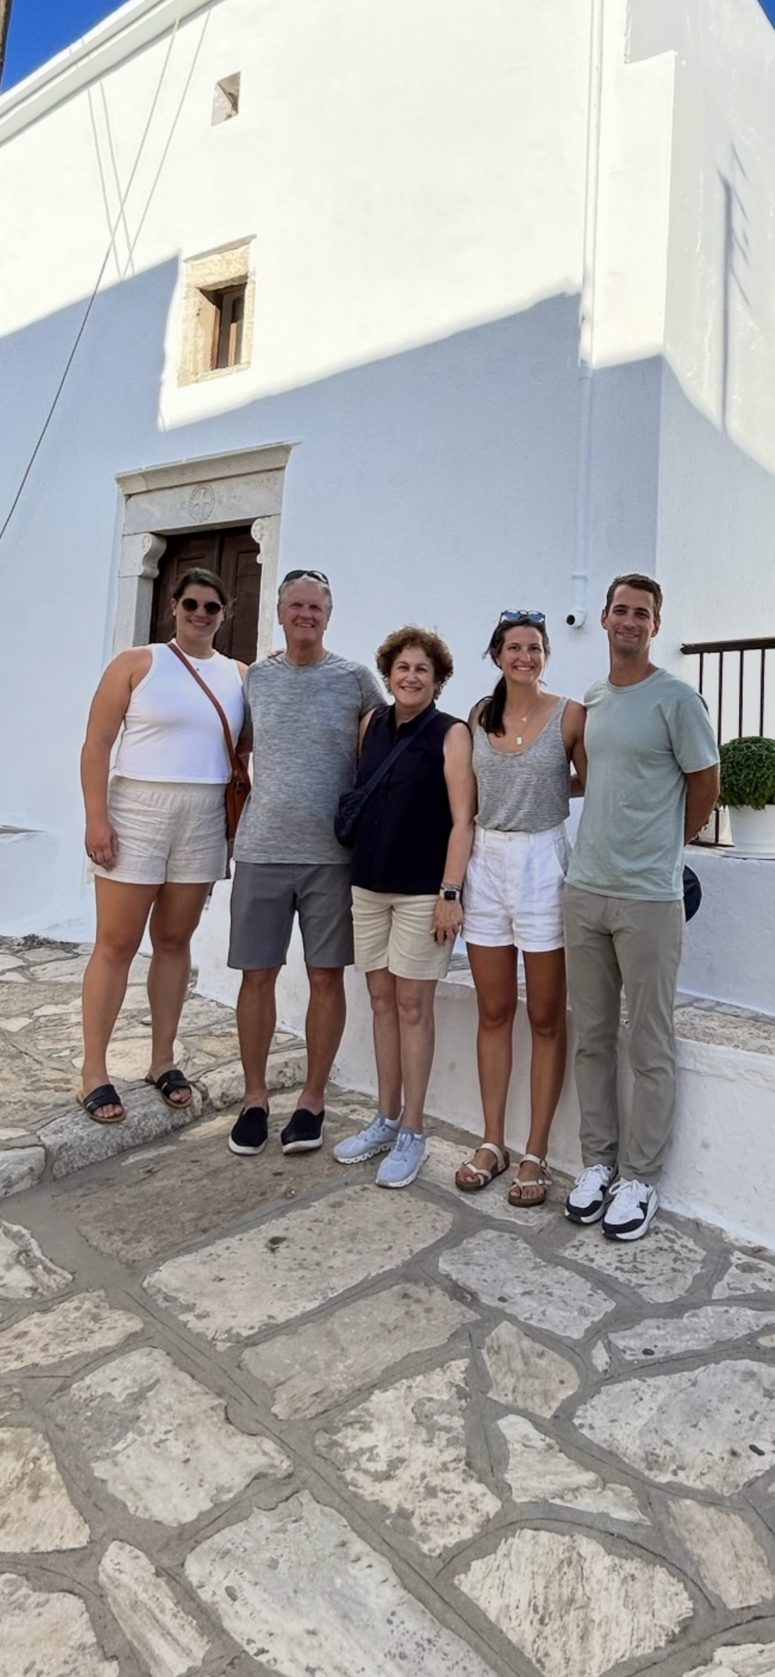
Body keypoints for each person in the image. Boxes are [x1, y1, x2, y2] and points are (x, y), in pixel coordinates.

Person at [563, 574, 719, 1240]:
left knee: (647, 1040)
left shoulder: (676, 700)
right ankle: (597, 1163)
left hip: (649, 896)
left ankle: (639, 1178)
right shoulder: (593, 699)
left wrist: (664, 847)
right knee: (591, 1037)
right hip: (584, 890)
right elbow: (595, 779)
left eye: (642, 613)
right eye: (620, 609)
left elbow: (704, 784)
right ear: (602, 618)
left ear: (654, 624)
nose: (629, 620)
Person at [79, 568, 247, 1123]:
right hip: (138, 806)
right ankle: (94, 1072)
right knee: (117, 942)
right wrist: (96, 818)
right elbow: (98, 743)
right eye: (191, 604)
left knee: (175, 940)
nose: (201, 614)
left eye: (212, 607)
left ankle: (162, 1059)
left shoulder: (238, 675)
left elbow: (247, 746)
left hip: (202, 812)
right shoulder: (137, 664)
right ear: (173, 606)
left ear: (226, 613)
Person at [227, 570, 383, 1159]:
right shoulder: (256, 678)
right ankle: (254, 1098)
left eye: (316, 606)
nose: (306, 614)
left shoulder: (355, 680)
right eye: (296, 604)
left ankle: (312, 1100)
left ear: (329, 614)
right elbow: (238, 749)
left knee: (325, 977)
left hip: (331, 856)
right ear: (279, 611)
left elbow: (383, 749)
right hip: (262, 848)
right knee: (256, 974)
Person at [332, 628, 476, 1188]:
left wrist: (449, 893)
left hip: (422, 893)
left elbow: (463, 819)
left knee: (413, 1005)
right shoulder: (372, 726)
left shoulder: (451, 733)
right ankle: (385, 1116)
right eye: (402, 667)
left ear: (437, 679)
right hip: (367, 886)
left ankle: (414, 1128)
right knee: (380, 1000)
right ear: (388, 674)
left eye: (423, 669)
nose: (411, 676)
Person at [454, 611, 586, 1205]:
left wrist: (548, 787)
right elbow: (465, 801)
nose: (524, 656)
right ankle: (491, 1141)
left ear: (545, 655)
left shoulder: (570, 715)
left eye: (534, 647)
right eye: (514, 647)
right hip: (486, 861)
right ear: (497, 654)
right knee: (494, 1008)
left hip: (543, 861)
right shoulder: (477, 718)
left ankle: (535, 1152)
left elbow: (589, 778)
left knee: (546, 1016)